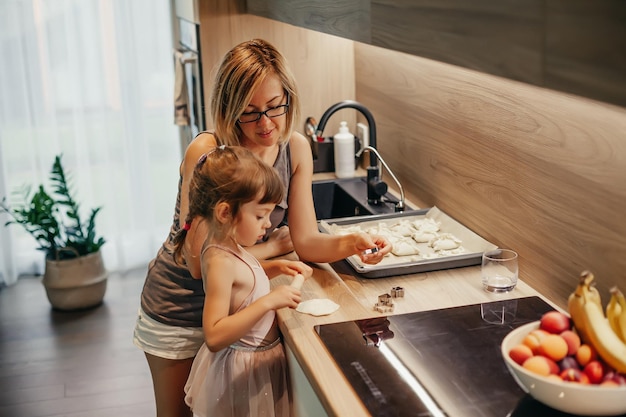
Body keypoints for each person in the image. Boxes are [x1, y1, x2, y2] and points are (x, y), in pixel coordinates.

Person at [133, 38, 391, 417]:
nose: (266, 123)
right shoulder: (208, 153)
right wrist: (270, 249)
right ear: (229, 108)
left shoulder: (295, 148)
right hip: (181, 311)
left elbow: (304, 241)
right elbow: (198, 264)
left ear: (288, 96)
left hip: (237, 316)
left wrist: (352, 242)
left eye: (274, 107)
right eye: (250, 113)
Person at [171, 145, 307, 417]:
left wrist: (274, 267)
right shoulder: (219, 260)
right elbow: (214, 334)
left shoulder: (229, 244)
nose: (267, 224)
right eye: (259, 216)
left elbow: (243, 282)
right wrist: (269, 302)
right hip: (244, 372)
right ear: (225, 213)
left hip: (260, 362)